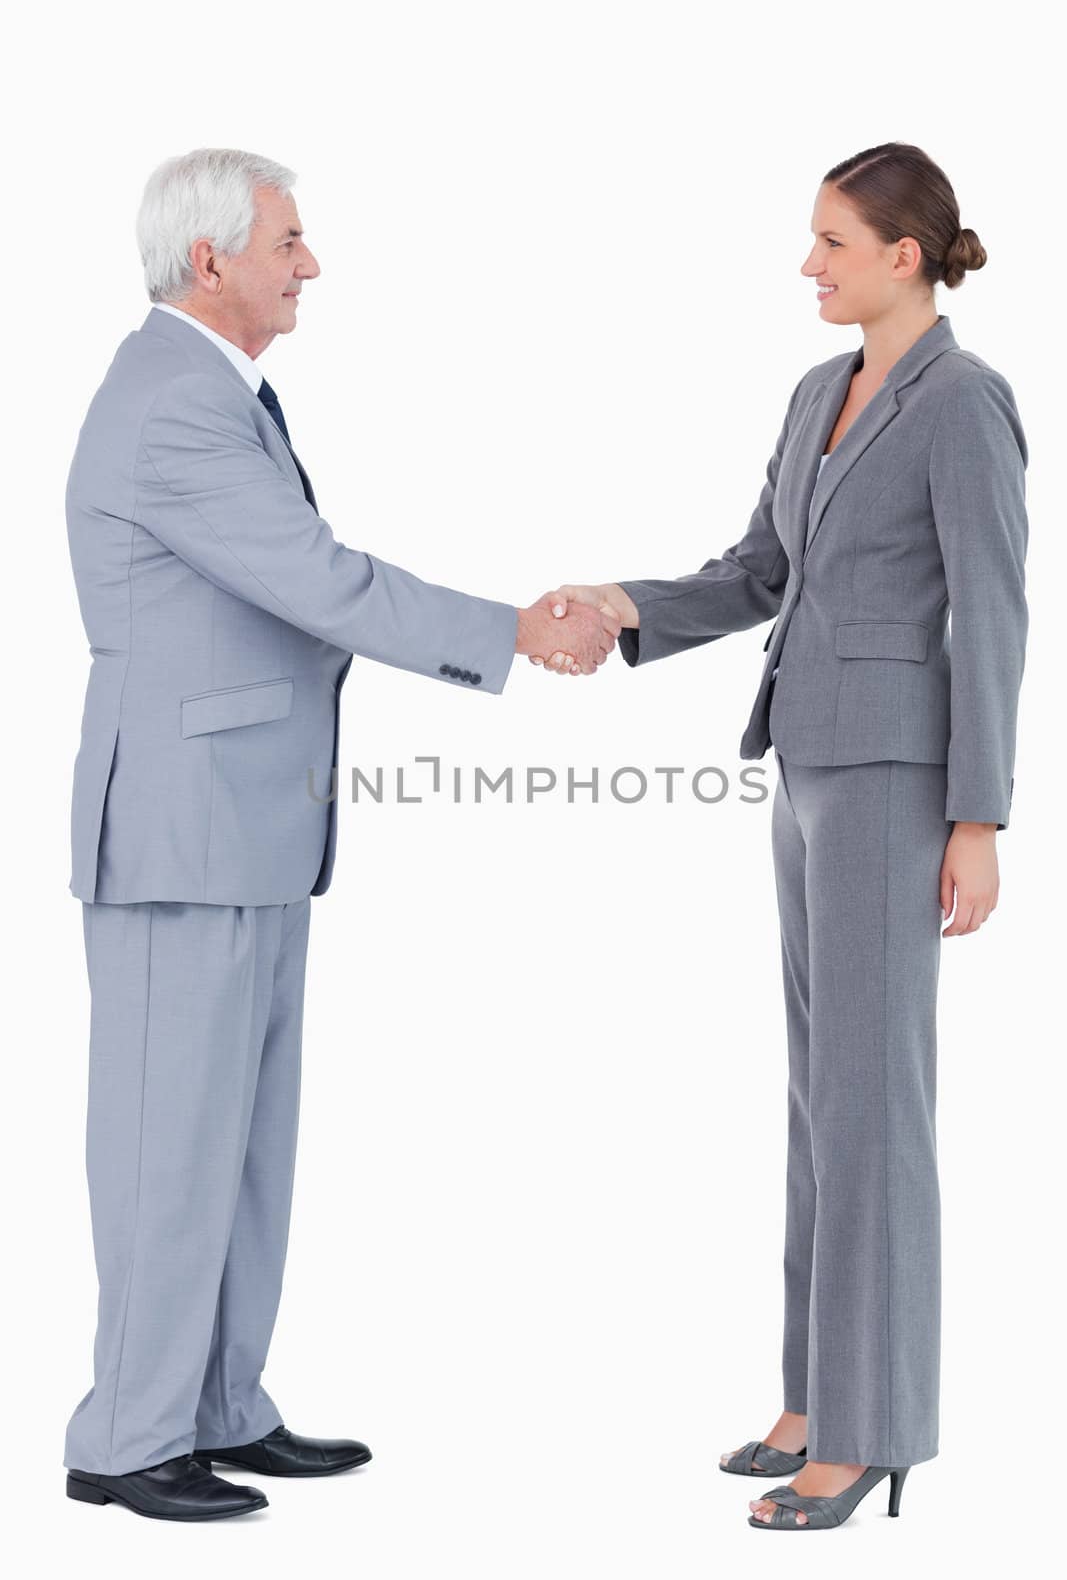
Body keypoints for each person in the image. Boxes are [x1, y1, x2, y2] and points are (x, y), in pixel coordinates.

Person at [63, 146, 621, 1522]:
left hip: (248, 827)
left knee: (244, 1145)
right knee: (165, 1148)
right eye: (289, 241)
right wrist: (508, 630)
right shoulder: (172, 406)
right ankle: (127, 1440)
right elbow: (315, 581)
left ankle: (218, 1407)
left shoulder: (218, 395)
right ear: (212, 261)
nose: (309, 265)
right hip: (184, 833)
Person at [537, 142, 1029, 1532]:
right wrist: (626, 606)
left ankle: (875, 1428)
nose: (807, 264)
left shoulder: (965, 404)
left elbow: (993, 616)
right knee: (822, 1098)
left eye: (829, 240)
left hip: (894, 778)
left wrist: (978, 818)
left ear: (904, 255)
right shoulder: (823, 390)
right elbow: (760, 571)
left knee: (877, 1105)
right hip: (804, 765)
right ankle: (818, 1389)